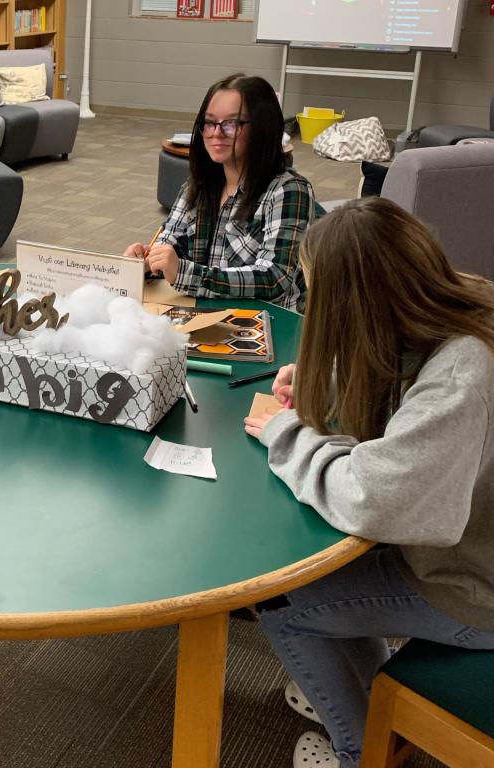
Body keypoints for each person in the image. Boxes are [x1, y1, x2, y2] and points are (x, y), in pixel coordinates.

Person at [242, 197, 494, 767]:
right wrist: (327, 380)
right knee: (330, 585)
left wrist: (287, 434)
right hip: (478, 554)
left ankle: (363, 751)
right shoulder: (459, 304)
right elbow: (404, 379)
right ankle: (366, 695)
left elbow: (372, 500)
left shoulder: (463, 376)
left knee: (281, 597)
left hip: (476, 592)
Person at [125, 73, 314, 311]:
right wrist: (146, 260)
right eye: (210, 122)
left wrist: (183, 272)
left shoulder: (288, 190)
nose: (216, 133)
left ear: (262, 128)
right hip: (204, 314)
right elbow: (170, 243)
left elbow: (273, 277)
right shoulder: (198, 186)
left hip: (265, 326)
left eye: (231, 124)